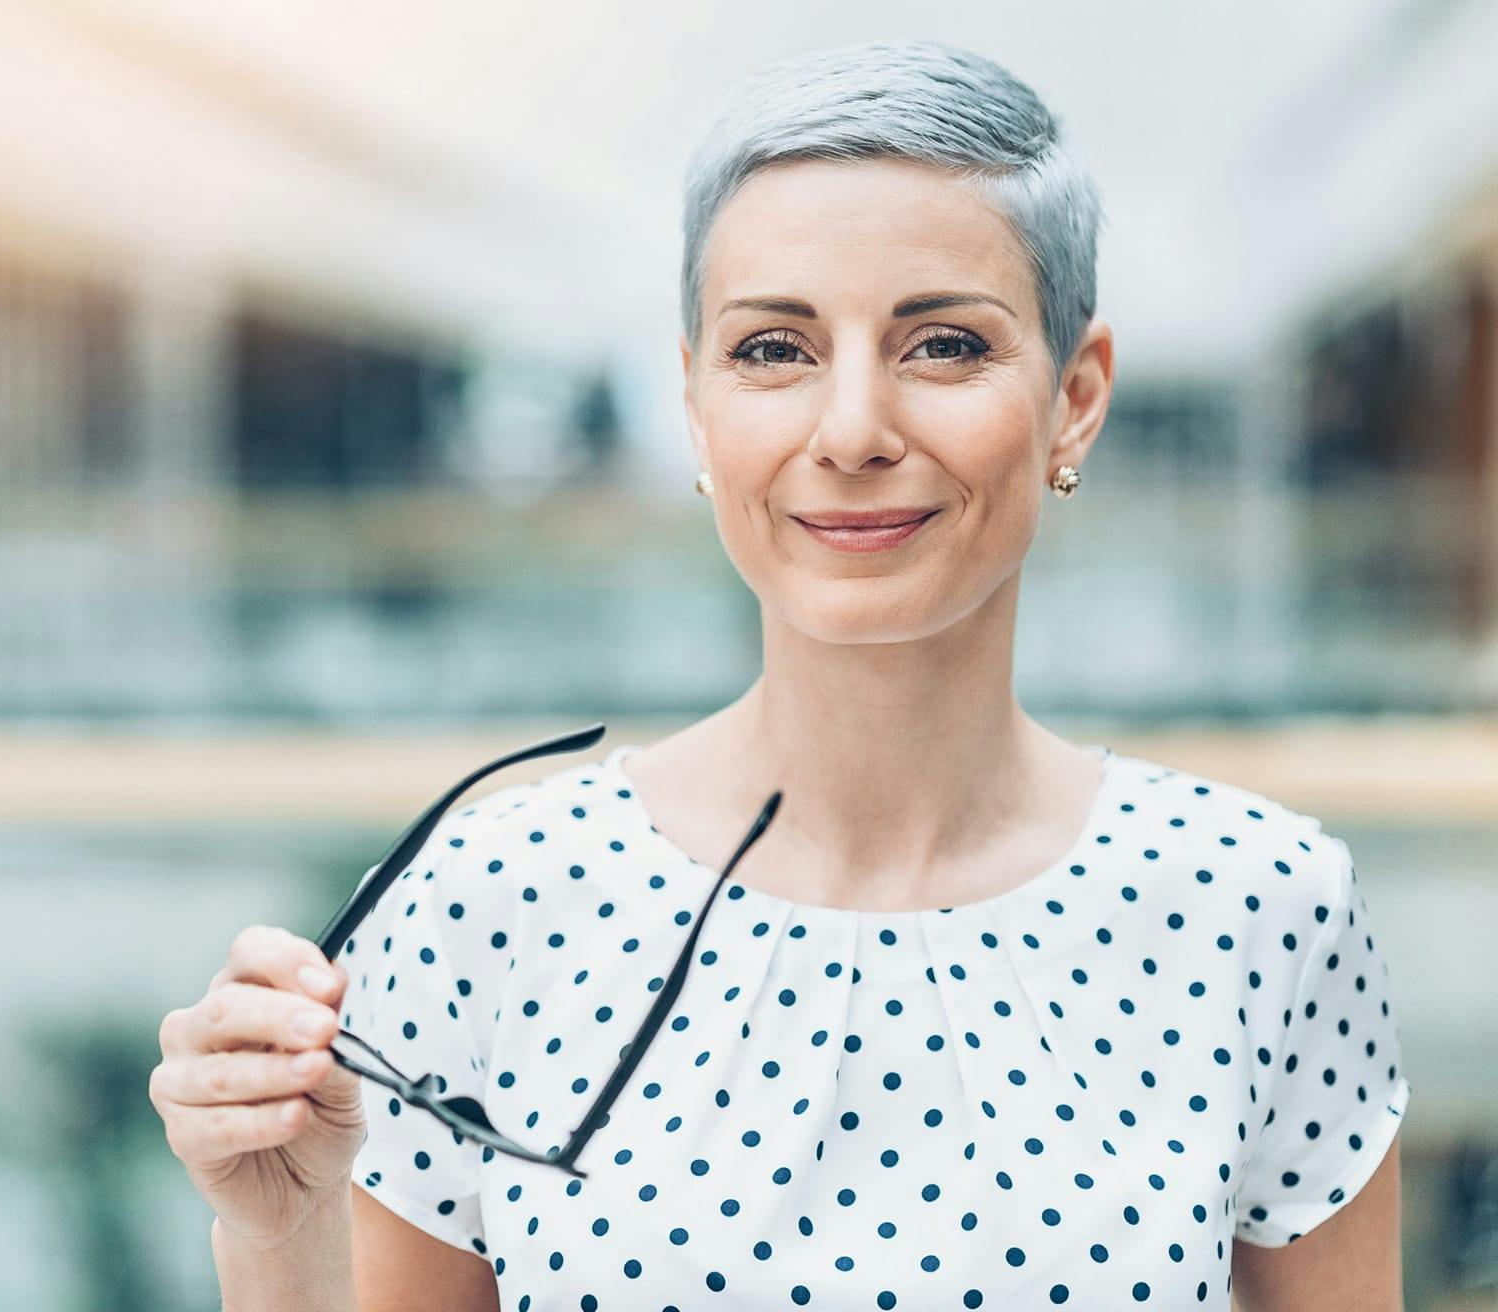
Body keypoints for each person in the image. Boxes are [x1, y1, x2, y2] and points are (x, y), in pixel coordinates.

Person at [149, 37, 1412, 1311]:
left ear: (1076, 398)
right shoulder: (485, 906)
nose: (853, 430)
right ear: (697, 404)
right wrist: (276, 1246)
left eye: (943, 346)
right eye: (773, 351)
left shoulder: (1261, 906)